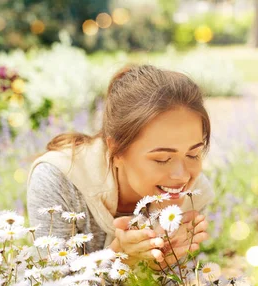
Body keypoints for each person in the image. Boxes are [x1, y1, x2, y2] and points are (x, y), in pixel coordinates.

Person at [26, 64, 214, 271]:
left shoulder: (195, 193)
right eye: (162, 159)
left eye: (193, 154)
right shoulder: (58, 180)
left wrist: (161, 267)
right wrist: (119, 259)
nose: (182, 176)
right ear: (116, 150)